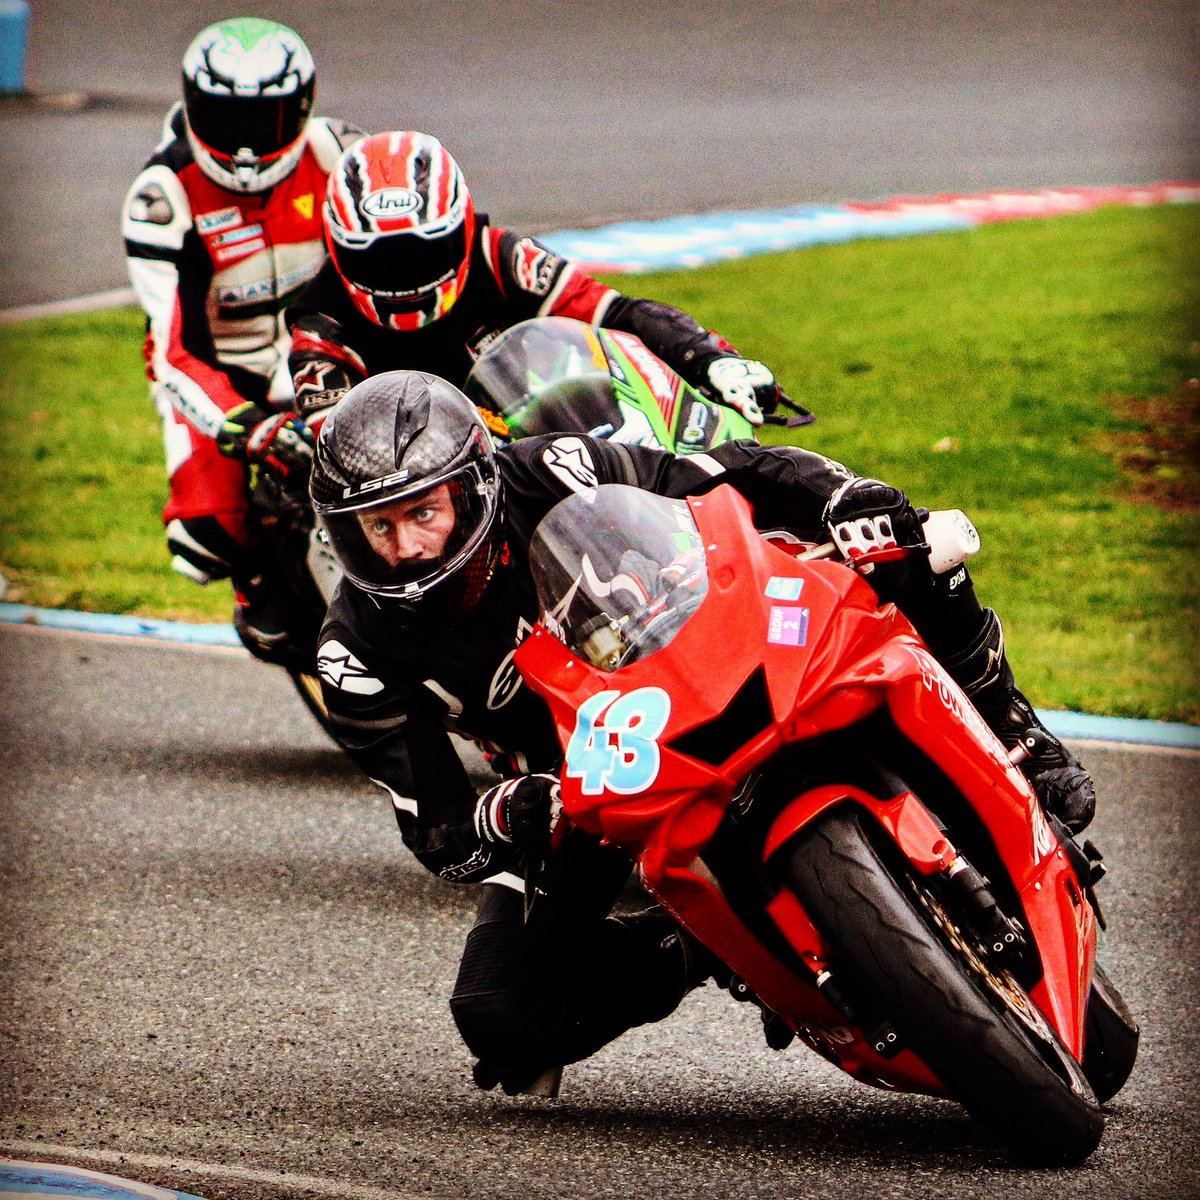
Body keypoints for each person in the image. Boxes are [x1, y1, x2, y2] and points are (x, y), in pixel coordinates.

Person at [306, 369, 1096, 1092]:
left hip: (705, 648)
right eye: (378, 527)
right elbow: (442, 833)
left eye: (422, 513)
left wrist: (840, 497)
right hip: (590, 780)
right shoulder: (353, 652)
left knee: (918, 541)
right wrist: (514, 809)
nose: (405, 549)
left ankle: (1017, 729)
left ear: (471, 491)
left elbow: (727, 470)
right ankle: (699, 943)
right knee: (501, 1017)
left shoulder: (549, 470)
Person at [121, 17, 363, 658]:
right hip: (220, 366)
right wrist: (244, 425)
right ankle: (260, 581)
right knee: (207, 535)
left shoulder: (336, 154)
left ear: (304, 109)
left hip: (324, 342)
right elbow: (173, 349)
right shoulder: (162, 195)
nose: (249, 147)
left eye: (267, 122)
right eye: (228, 122)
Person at [287, 129, 790, 432]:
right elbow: (337, 440)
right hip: (415, 491)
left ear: (460, 228)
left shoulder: (503, 257)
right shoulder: (322, 323)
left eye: (421, 252)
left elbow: (616, 314)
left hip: (531, 442)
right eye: (378, 260)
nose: (401, 277)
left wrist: (711, 361)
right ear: (337, 247)